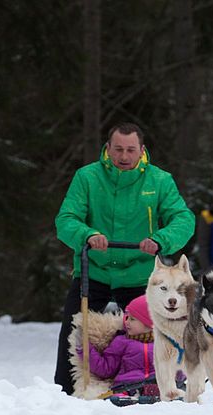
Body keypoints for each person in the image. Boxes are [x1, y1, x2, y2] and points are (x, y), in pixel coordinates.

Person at [54, 122, 195, 395]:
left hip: (139, 274)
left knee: (159, 330)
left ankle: (164, 381)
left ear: (142, 150)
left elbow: (183, 219)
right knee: (73, 330)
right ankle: (67, 390)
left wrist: (160, 240)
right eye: (118, 149)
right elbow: (66, 219)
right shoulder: (87, 177)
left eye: (131, 150)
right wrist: (87, 234)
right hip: (93, 270)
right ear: (108, 148)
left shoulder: (159, 180)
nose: (124, 156)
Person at [77, 294, 156, 390]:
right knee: (119, 397)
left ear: (149, 323)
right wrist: (85, 347)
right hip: (127, 385)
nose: (126, 322)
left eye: (132, 319)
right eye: (127, 317)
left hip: (155, 383)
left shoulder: (163, 343)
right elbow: (106, 368)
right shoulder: (121, 341)